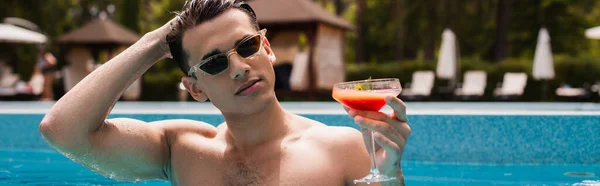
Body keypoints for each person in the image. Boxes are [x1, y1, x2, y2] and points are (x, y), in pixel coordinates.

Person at [39, 0, 411, 185]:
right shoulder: (182, 149)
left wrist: (390, 176)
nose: (238, 67)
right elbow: (62, 130)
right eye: (215, 62)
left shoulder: (342, 148)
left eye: (247, 46)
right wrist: (157, 42)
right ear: (195, 88)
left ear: (267, 49)